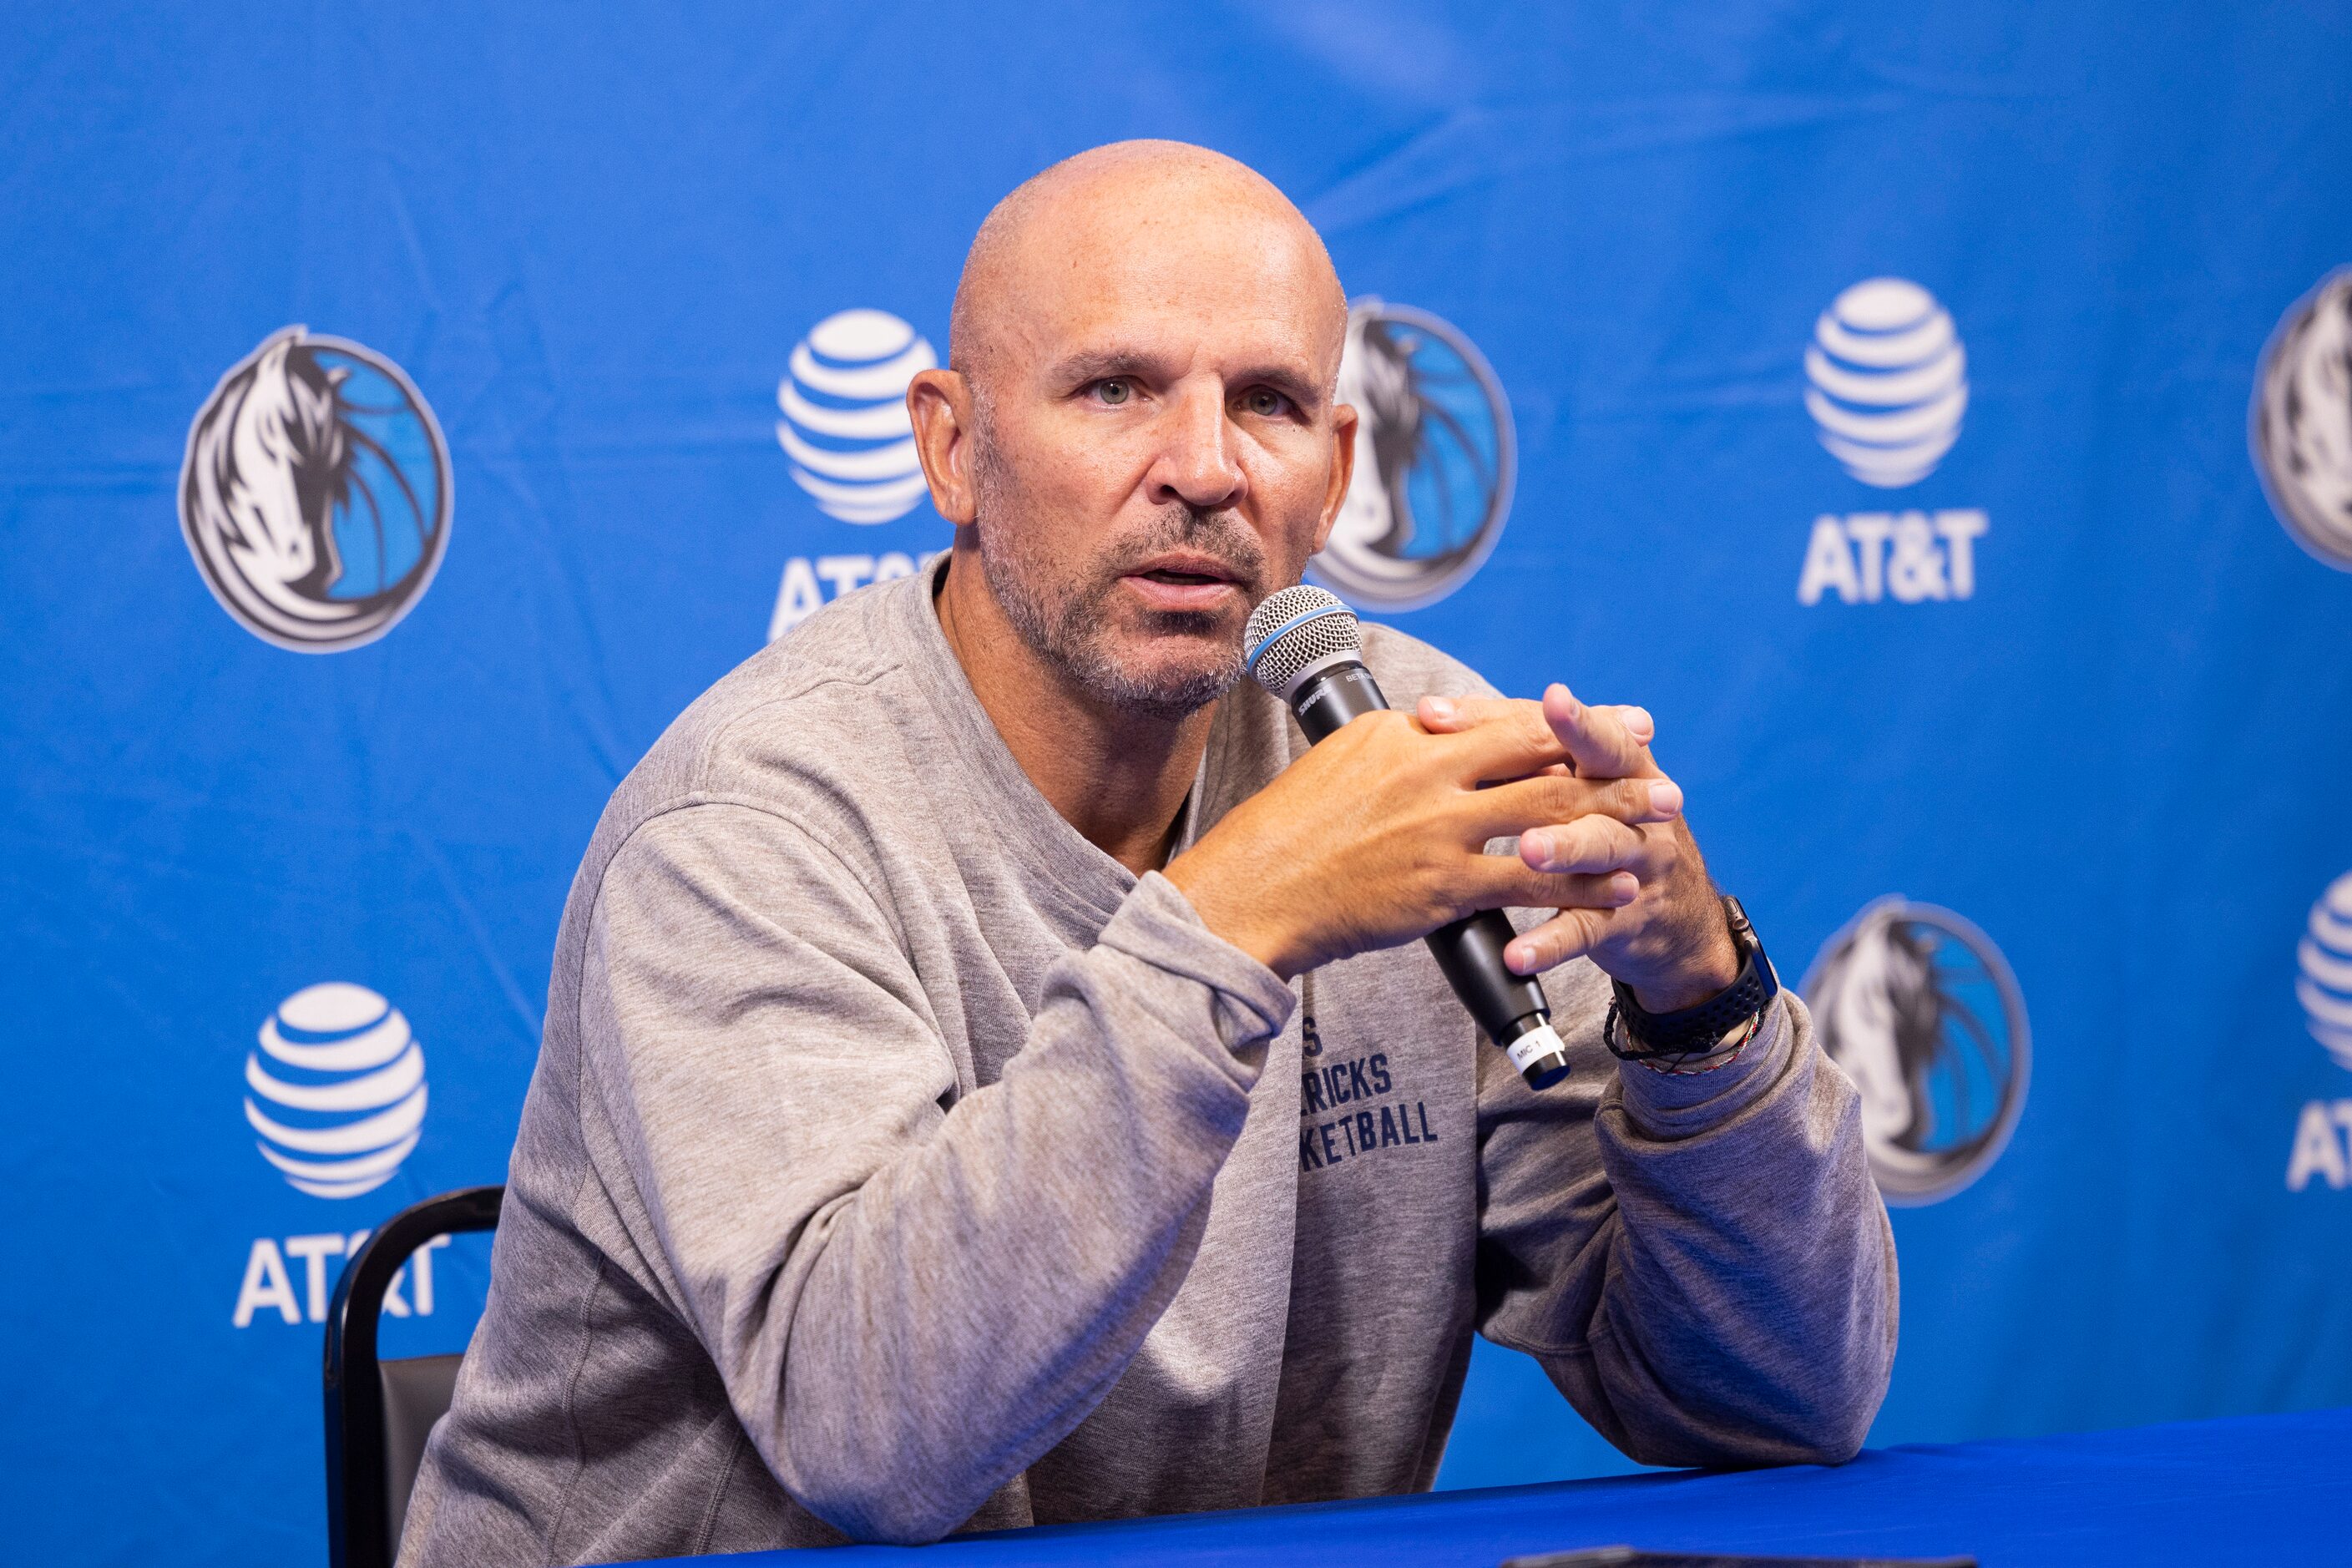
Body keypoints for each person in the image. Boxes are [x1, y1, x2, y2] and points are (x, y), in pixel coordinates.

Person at [399, 140, 1895, 1565]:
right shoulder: (751, 825)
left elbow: (1774, 1401)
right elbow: (878, 1432)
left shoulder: (1408, 750)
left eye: (1267, 402)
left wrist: (1702, 1010)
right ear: (950, 444)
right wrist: (1238, 917)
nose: (1202, 467)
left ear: (1337, 463)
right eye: (1114, 389)